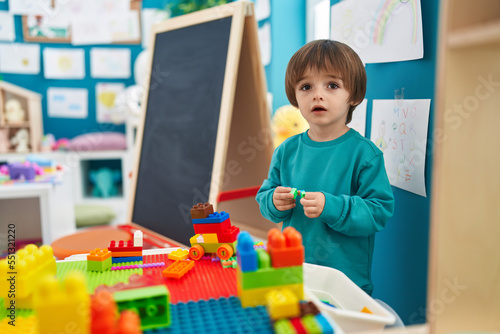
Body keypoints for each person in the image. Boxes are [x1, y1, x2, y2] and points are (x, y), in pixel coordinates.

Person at [256, 40, 394, 295]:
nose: (317, 95)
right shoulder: (286, 151)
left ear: (353, 95)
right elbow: (265, 197)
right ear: (295, 97)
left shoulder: (365, 154)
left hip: (345, 282)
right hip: (294, 272)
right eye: (306, 86)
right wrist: (274, 201)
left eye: (332, 85)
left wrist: (331, 207)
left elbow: (379, 212)